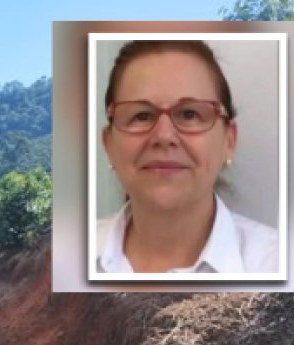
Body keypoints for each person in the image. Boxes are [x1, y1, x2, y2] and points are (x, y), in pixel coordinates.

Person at [97, 40, 279, 274]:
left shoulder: (282, 264)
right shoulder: (63, 258)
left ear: (229, 141)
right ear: (109, 144)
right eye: (141, 116)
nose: (164, 136)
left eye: (189, 114)